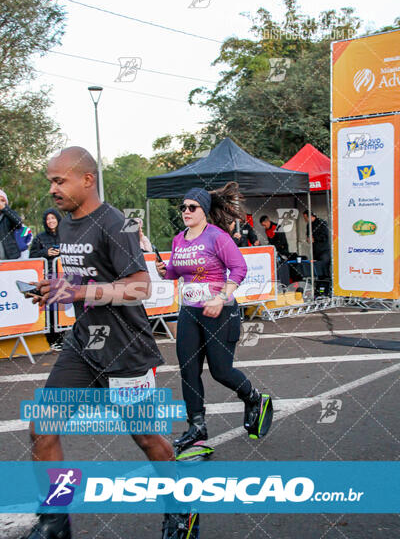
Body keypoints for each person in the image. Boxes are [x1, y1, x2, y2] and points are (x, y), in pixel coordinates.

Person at [23, 147, 174, 539]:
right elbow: (81, 285)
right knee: (43, 426)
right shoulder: (68, 225)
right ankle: (56, 521)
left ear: (87, 179)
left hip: (126, 348)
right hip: (83, 344)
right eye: (50, 182)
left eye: (60, 180)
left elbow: (140, 287)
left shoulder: (115, 223)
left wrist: (79, 293)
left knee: (146, 438)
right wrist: (55, 289)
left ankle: (179, 507)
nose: (53, 189)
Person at [156, 183, 273, 452]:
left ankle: (254, 398)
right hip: (190, 311)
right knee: (188, 370)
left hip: (220, 311)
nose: (186, 211)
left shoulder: (217, 237)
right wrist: (164, 270)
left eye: (192, 207)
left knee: (221, 371)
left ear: (204, 211)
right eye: (183, 207)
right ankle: (197, 428)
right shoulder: (178, 239)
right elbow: (175, 271)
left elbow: (239, 268)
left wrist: (221, 298)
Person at [30, 209, 64, 351]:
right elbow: (32, 255)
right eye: (48, 219)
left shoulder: (66, 234)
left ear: (57, 219)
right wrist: (46, 253)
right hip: (47, 277)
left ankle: (62, 338)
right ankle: (52, 339)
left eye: (53, 218)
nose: (51, 221)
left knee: (62, 309)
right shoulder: (40, 237)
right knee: (50, 309)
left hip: (64, 277)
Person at [303, 210, 331, 278]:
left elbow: (325, 236)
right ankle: (319, 285)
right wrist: (308, 239)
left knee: (324, 269)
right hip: (315, 251)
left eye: (305, 217)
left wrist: (315, 238)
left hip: (324, 251)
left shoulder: (322, 223)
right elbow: (308, 235)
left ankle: (326, 284)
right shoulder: (308, 225)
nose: (304, 219)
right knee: (317, 270)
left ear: (309, 216)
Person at [0, 189, 23, 260]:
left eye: (2, 200)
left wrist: (5, 209)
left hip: (11, 257)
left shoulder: (9, 215)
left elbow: (19, 223)